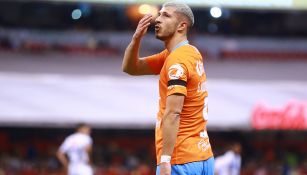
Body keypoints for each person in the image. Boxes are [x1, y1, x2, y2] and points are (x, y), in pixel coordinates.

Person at [122, 1, 214, 175]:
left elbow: (173, 113)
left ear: (182, 26)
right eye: (159, 14)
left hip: (180, 159)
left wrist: (165, 161)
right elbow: (131, 68)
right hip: (204, 156)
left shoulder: (176, 61)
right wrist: (136, 39)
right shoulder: (189, 52)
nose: (158, 19)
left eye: (166, 15)